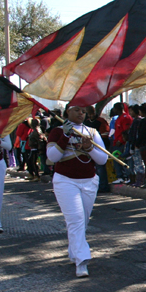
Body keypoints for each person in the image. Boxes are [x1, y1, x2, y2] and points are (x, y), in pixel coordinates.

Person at [47, 104, 108, 277]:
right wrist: (65, 136)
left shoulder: (92, 132)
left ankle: (74, 252)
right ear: (67, 111)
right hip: (65, 181)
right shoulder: (57, 131)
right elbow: (52, 157)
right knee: (76, 219)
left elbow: (103, 159)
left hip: (89, 181)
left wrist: (89, 148)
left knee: (82, 221)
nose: (81, 113)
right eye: (77, 110)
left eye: (83, 111)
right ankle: (82, 261)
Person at [84, 106, 111, 193]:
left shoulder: (101, 121)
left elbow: (105, 134)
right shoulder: (86, 122)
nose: (90, 116)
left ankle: (103, 186)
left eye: (91, 114)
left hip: (100, 146)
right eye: (88, 114)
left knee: (100, 167)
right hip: (89, 148)